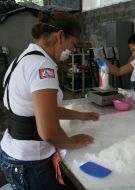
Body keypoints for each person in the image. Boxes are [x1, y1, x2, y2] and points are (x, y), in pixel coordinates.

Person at [0, 11, 99, 190]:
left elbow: (41, 109)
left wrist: (82, 116)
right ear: (60, 36)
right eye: (73, 43)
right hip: (30, 163)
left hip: (12, 152)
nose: (73, 50)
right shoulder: (42, 67)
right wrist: (71, 142)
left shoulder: (22, 59)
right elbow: (49, 133)